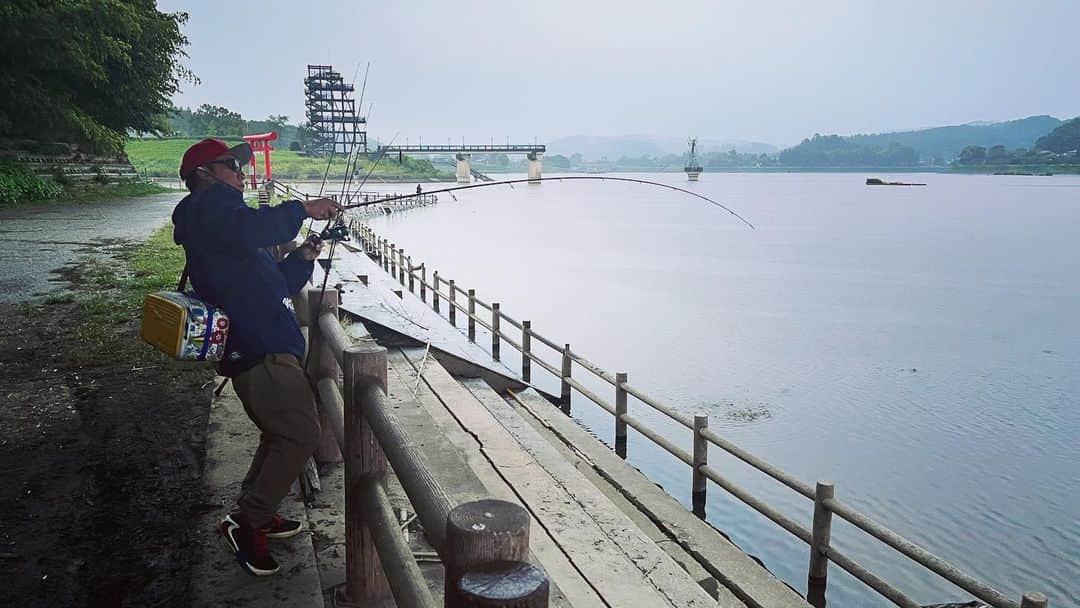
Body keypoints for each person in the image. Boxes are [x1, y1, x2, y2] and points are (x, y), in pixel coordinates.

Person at [171, 138, 343, 576]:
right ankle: (248, 525)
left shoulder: (226, 227)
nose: (242, 174)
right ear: (204, 173)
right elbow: (257, 228)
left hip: (266, 342)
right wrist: (303, 209)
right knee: (301, 434)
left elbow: (276, 286)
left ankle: (255, 511)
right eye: (233, 166)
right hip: (258, 348)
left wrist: (304, 254)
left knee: (278, 433)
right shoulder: (207, 209)